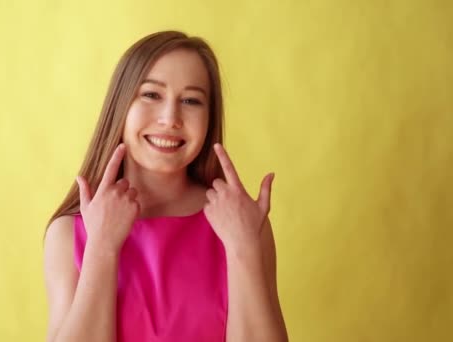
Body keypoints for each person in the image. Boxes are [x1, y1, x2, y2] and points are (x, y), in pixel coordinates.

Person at [43, 30, 288, 342]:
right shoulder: (69, 233)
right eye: (151, 95)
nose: (170, 118)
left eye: (191, 100)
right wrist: (101, 248)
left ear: (209, 119)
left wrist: (243, 249)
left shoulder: (245, 226)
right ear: (121, 105)